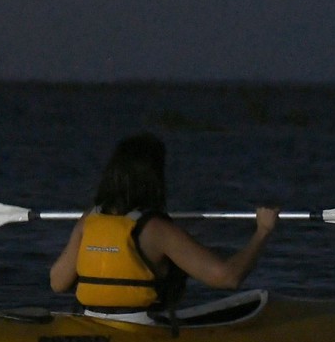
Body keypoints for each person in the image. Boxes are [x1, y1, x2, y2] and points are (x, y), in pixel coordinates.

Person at [49, 132, 278, 325]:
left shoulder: (89, 220)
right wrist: (262, 232)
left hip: (91, 322)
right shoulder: (157, 229)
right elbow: (228, 278)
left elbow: (58, 283)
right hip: (141, 329)